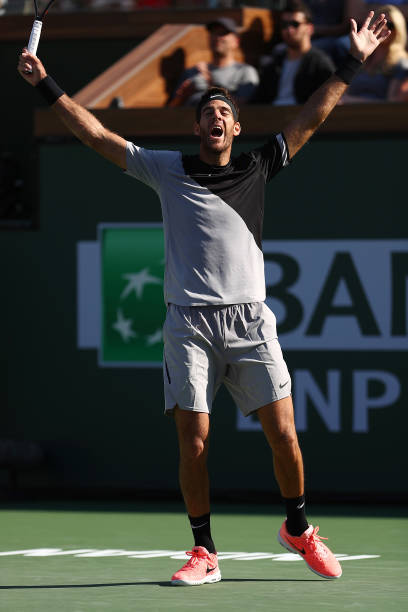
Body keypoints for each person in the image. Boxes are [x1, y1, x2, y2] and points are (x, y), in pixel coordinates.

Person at [18, 10, 389, 586]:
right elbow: (96, 135)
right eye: (207, 113)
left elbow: (311, 117)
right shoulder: (167, 170)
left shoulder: (258, 168)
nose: (216, 116)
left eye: (225, 112)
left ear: (236, 129)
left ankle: (297, 527)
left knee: (284, 434)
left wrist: (354, 59)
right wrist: (45, 81)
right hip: (188, 324)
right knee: (195, 440)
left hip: (251, 323)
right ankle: (203, 550)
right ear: (198, 130)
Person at [252, 0, 335, 105]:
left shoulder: (320, 63)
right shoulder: (274, 64)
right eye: (284, 25)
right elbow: (258, 100)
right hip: (271, 117)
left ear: (309, 29)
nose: (289, 29)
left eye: (295, 24)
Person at [169, 17, 259, 106]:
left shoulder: (245, 71)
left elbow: (245, 106)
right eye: (213, 33)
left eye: (223, 33)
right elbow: (171, 109)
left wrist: (210, 83)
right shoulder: (193, 71)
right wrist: (182, 97)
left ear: (236, 41)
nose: (217, 37)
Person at [340, 4, 408, 101]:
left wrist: (351, 101)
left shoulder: (401, 64)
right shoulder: (361, 59)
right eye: (381, 24)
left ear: (399, 30)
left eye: (390, 25)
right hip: (350, 114)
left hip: (378, 115)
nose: (384, 28)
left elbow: (391, 103)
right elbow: (343, 92)